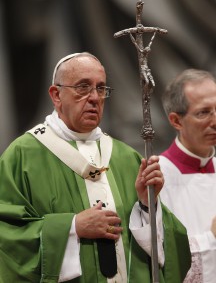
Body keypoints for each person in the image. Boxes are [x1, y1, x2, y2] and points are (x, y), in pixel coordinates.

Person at [0, 52, 190, 283]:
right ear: (56, 95)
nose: (94, 97)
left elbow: (169, 248)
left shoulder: (126, 157)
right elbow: (8, 237)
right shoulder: (23, 155)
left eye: (101, 89)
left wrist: (147, 205)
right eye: (82, 87)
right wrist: (72, 227)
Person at [159, 68, 216, 283]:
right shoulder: (157, 177)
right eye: (204, 112)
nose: (215, 120)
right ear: (176, 121)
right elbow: (160, 258)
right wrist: (211, 239)